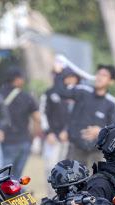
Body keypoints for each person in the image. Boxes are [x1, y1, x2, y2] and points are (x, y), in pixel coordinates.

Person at [52, 62, 115, 169]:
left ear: (111, 81)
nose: (99, 78)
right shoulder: (83, 91)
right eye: (98, 74)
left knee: (93, 183)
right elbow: (61, 92)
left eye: (104, 75)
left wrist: (101, 132)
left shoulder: (111, 103)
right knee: (70, 182)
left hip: (97, 153)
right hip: (75, 149)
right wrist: (58, 73)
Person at [39, 68, 80, 196]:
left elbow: (77, 116)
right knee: (50, 167)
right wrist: (49, 132)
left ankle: (67, 197)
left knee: (69, 170)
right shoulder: (50, 93)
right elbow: (43, 114)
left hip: (70, 138)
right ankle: (52, 197)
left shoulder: (78, 95)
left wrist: (68, 131)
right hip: (53, 138)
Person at [0, 67, 41, 178]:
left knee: (4, 178)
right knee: (17, 178)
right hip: (23, 141)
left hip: (4, 142)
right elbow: (38, 118)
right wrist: (33, 136)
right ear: (17, 80)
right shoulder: (26, 96)